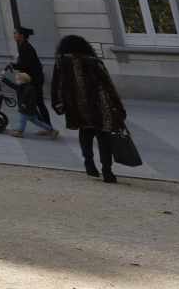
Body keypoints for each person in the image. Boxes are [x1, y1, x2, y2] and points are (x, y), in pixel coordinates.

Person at [52, 34, 128, 184]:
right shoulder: (94, 61)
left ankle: (89, 163)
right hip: (99, 105)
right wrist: (118, 106)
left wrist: (59, 104)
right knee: (103, 137)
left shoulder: (61, 62)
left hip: (77, 106)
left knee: (85, 133)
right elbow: (108, 85)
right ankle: (107, 171)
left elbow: (57, 85)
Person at [9, 26, 58, 139]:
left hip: (33, 81)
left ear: (21, 35)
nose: (14, 35)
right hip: (33, 79)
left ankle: (49, 128)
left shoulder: (25, 47)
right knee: (37, 105)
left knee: (36, 105)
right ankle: (48, 127)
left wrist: (14, 65)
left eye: (16, 33)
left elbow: (26, 65)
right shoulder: (24, 46)